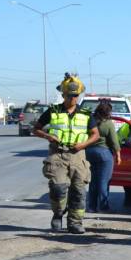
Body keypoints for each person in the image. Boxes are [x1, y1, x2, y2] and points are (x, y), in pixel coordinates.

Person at [33, 73, 95, 234]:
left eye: (75, 96)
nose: (73, 98)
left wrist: (83, 144)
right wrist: (48, 136)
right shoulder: (52, 111)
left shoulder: (86, 113)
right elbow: (36, 129)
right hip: (57, 155)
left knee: (79, 191)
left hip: (78, 155)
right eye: (69, 95)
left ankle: (75, 223)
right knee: (58, 188)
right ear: (63, 95)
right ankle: (58, 213)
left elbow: (95, 135)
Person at [84, 99, 121, 213]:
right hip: (104, 154)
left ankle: (91, 207)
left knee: (94, 181)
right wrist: (118, 155)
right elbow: (114, 141)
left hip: (89, 152)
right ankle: (104, 207)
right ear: (108, 112)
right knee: (104, 181)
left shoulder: (90, 120)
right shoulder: (108, 123)